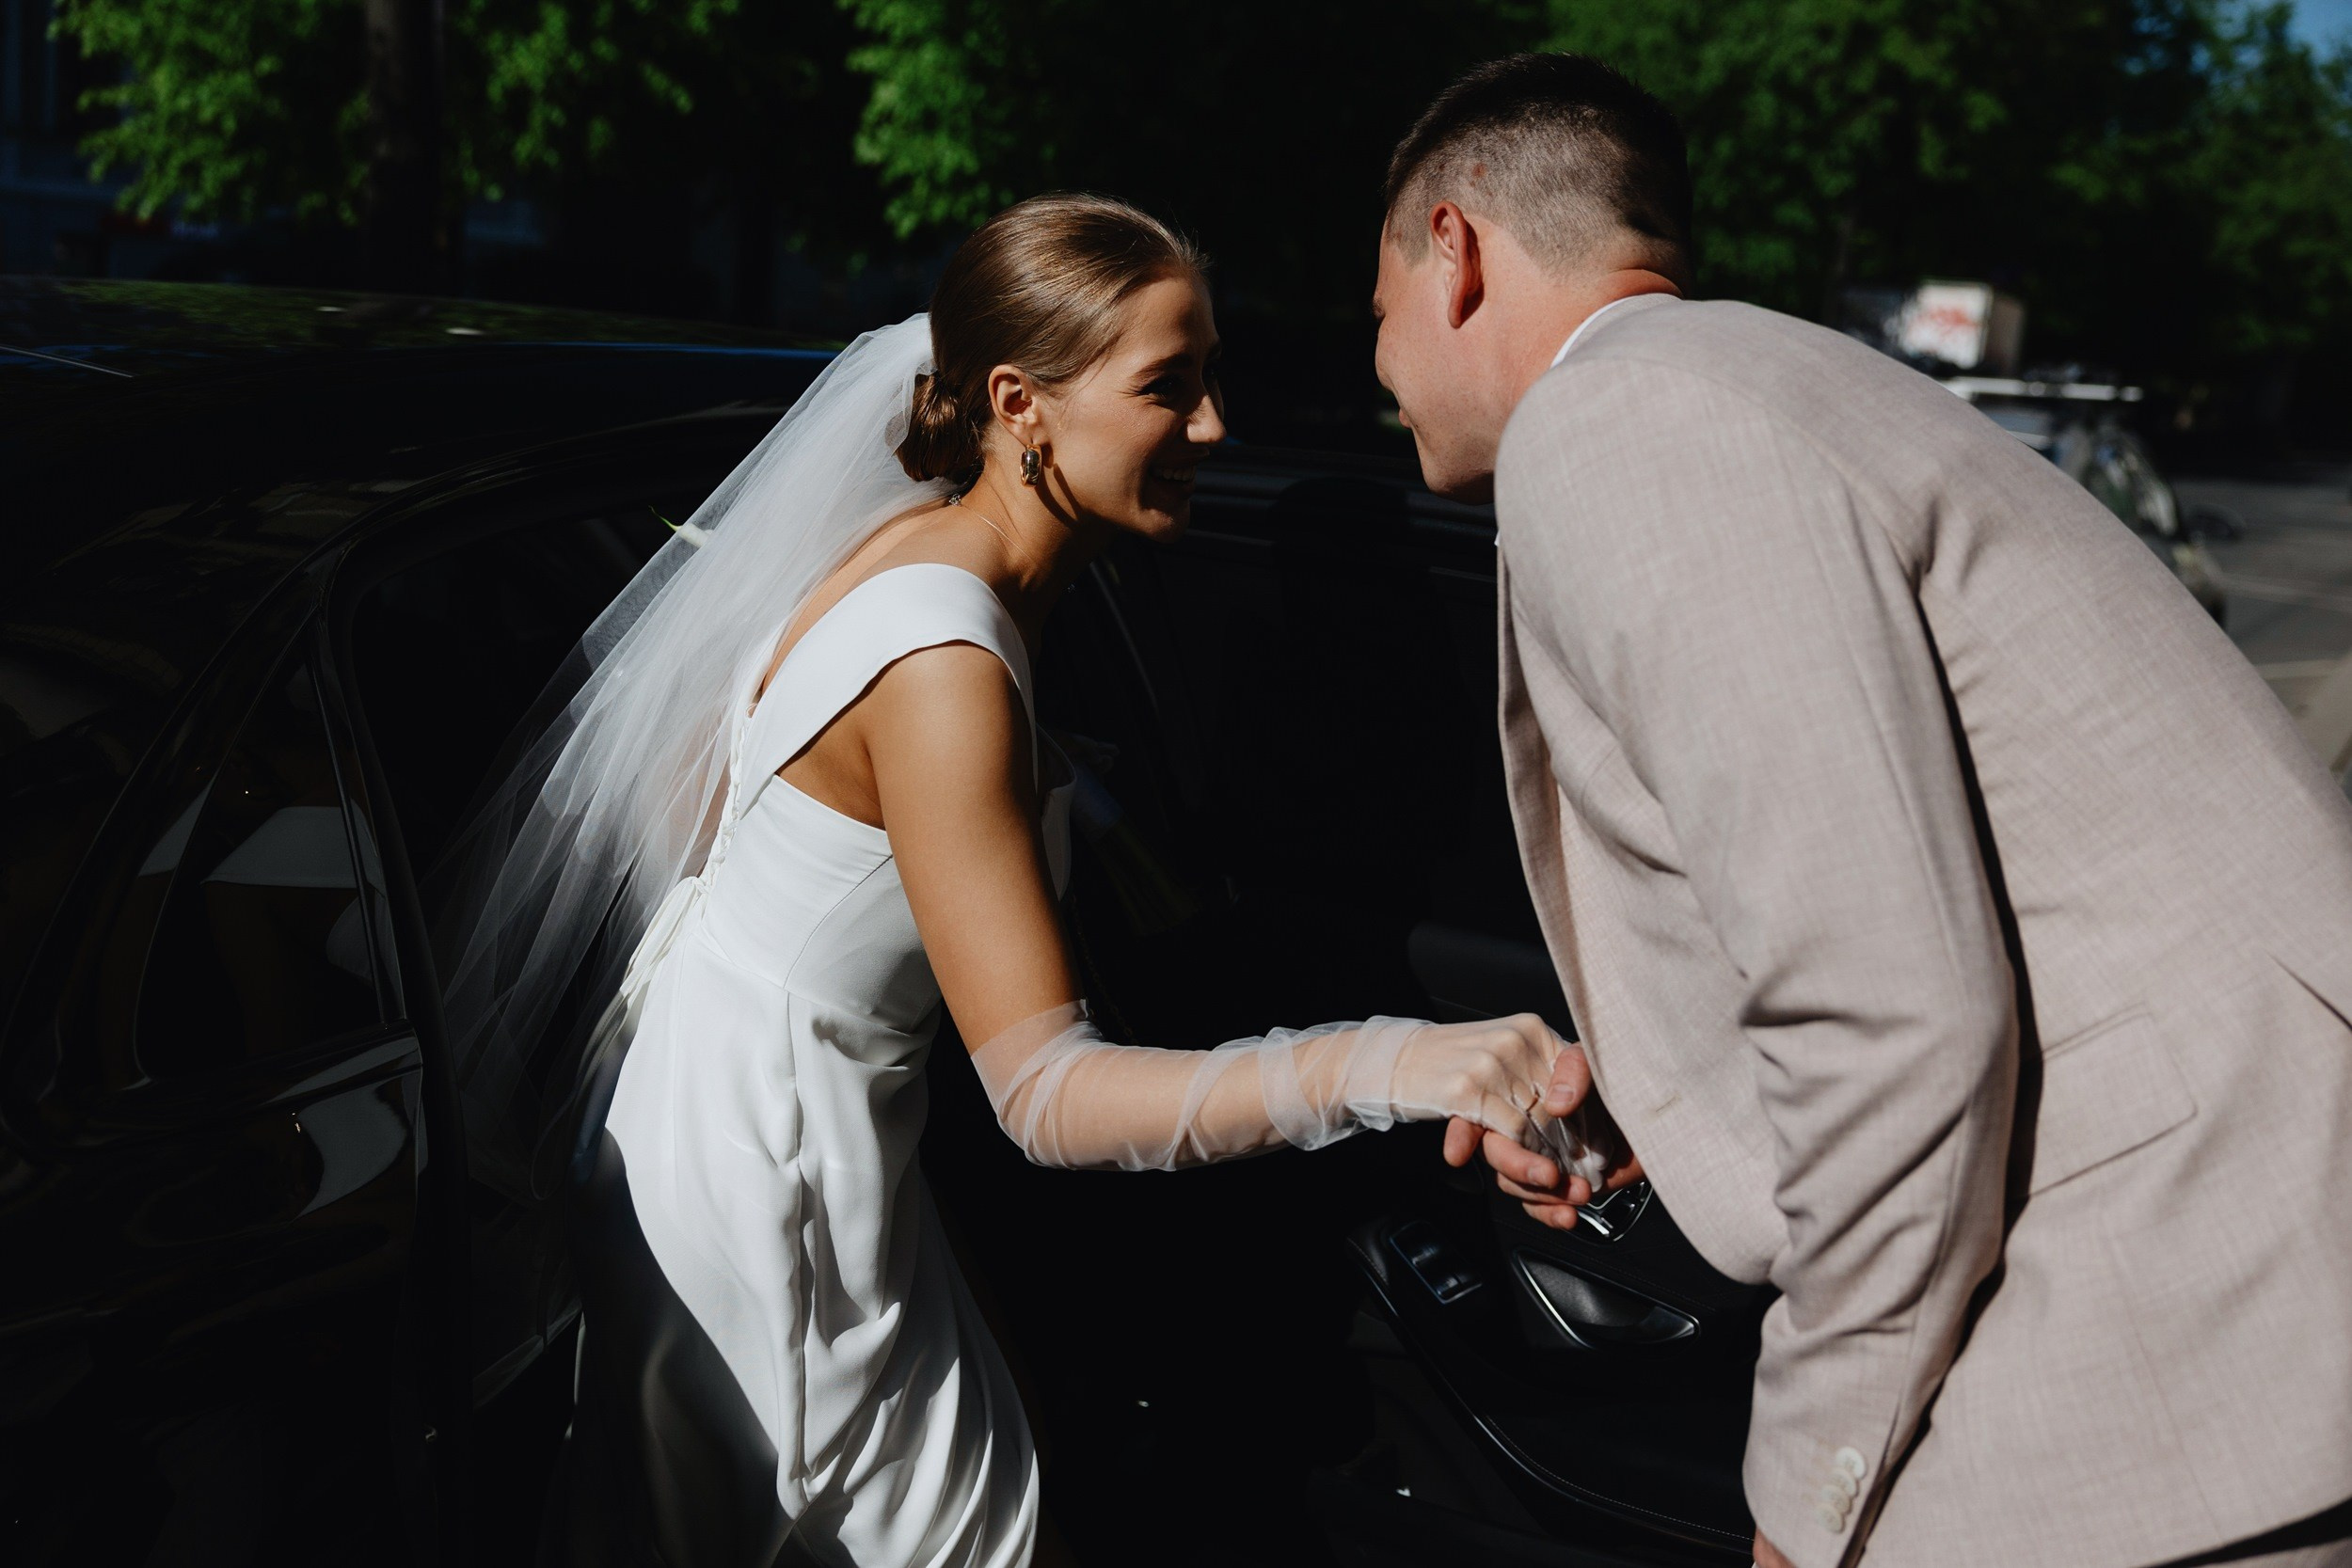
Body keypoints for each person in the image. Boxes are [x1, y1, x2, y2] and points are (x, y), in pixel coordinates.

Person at [436, 193, 1577, 1568]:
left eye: (1211, 377)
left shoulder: (906, 554)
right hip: (775, 1193)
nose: (1214, 426)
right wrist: (1399, 1063)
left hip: (728, 1136)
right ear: (1018, 403)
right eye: (1168, 386)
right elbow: (1045, 1099)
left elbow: (696, 809)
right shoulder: (946, 661)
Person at [1374, 52, 2352, 1568]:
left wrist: (1808, 1493)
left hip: (2182, 1314)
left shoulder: (1623, 423)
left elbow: (1896, 1018)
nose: (1379, 369)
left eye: (1374, 312)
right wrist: (1676, 1110)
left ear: (1455, 250)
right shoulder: (1775, 379)